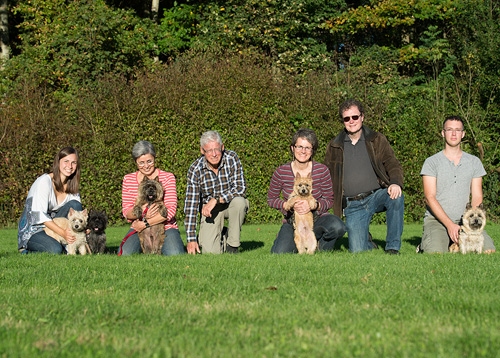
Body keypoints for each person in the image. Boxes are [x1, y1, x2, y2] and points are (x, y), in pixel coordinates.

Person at [324, 99, 404, 254]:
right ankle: (367, 241)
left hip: (377, 195)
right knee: (358, 251)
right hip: (352, 205)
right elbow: (326, 175)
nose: (351, 121)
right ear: (343, 121)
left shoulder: (376, 139)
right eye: (347, 118)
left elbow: (392, 163)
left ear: (362, 117)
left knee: (396, 196)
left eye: (355, 117)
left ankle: (393, 247)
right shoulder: (334, 145)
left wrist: (395, 183)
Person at [418, 115, 496, 253]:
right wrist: (450, 225)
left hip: (466, 222)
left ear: (463, 134)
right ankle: (429, 241)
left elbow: (477, 196)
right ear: (443, 133)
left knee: (488, 251)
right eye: (449, 129)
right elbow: (429, 197)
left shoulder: (474, 162)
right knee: (436, 253)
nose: (454, 133)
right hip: (437, 221)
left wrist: (470, 222)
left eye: (458, 130)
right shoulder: (431, 162)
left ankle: (452, 242)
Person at [268, 128, 346, 253]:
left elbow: (329, 200)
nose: (303, 151)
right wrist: (287, 205)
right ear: (292, 148)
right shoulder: (281, 172)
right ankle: (287, 238)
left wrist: (315, 205)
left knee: (338, 227)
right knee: (280, 252)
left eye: (308, 148)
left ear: (312, 150)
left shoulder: (322, 170)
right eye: (299, 146)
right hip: (293, 221)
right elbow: (271, 199)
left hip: (317, 218)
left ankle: (322, 246)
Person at [184, 131, 248, 254]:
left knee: (240, 202)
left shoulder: (232, 158)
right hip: (210, 212)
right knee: (210, 253)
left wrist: (217, 199)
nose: (214, 154)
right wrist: (191, 239)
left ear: (222, 147)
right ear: (202, 151)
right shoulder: (195, 169)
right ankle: (222, 234)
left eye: (217, 149)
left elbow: (241, 188)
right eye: (209, 151)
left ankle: (232, 246)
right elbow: (191, 206)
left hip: (231, 205)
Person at [119, 140, 185, 256]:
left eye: (149, 161)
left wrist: (145, 223)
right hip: (138, 227)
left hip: (165, 226)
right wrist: (143, 212)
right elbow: (127, 212)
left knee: (175, 253)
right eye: (141, 163)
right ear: (136, 162)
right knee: (125, 253)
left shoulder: (167, 177)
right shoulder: (128, 179)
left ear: (154, 158)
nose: (146, 166)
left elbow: (170, 211)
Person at [17, 147, 84, 254]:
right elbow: (40, 217)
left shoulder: (72, 186)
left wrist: (84, 229)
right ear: (58, 162)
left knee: (75, 205)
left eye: (73, 163)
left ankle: (67, 246)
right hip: (35, 229)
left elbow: (78, 213)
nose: (70, 166)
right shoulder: (44, 182)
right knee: (55, 250)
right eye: (66, 161)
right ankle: (26, 250)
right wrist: (63, 233)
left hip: (55, 225)